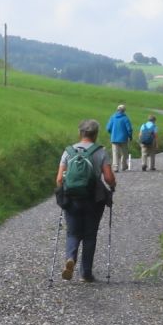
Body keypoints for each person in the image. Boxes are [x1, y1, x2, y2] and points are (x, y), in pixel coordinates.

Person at [55, 119, 116, 282]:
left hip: (72, 199)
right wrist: (112, 186)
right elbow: (109, 177)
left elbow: (59, 179)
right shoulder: (101, 151)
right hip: (93, 200)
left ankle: (71, 258)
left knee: (73, 233)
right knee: (90, 236)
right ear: (95, 134)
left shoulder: (68, 151)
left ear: (80, 133)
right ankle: (86, 273)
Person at [105, 104, 133, 172]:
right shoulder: (125, 118)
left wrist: (112, 133)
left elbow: (108, 128)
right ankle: (123, 166)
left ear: (117, 110)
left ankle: (115, 167)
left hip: (114, 138)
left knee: (115, 153)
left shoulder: (113, 117)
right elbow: (129, 129)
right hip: (123, 139)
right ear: (124, 111)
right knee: (124, 153)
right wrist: (130, 136)